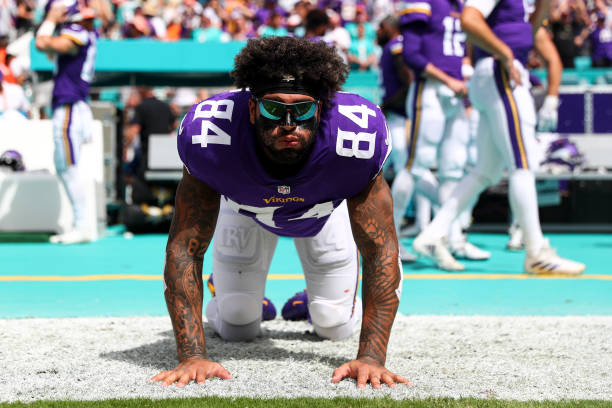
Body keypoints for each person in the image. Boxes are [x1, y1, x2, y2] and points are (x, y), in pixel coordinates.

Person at [151, 36, 408, 389]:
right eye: (274, 108)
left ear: (321, 108)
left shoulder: (356, 138)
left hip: (323, 209)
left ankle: (311, 300)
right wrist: (192, 356)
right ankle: (238, 295)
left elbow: (381, 250)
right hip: (243, 207)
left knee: (333, 324)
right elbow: (185, 248)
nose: (288, 122)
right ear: (252, 108)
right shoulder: (211, 136)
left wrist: (371, 358)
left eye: (302, 109)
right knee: (238, 321)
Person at [412, 0, 586, 275]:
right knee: (522, 164)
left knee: (486, 172)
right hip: (501, 72)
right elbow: (469, 19)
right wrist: (505, 54)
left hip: (498, 72)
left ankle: (434, 233)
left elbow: (531, 27)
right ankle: (536, 251)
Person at [391, 0, 490, 269]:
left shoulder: (461, 6)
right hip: (431, 89)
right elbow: (412, 55)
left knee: (453, 169)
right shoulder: (423, 3)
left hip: (454, 95)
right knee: (416, 164)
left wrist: (463, 75)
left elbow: (459, 49)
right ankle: (391, 241)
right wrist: (449, 79)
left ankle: (448, 238)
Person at [35, 0, 98, 244]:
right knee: (68, 165)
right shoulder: (86, 33)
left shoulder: (77, 32)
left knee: (68, 166)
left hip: (70, 106)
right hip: (74, 105)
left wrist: (50, 20)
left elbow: (42, 44)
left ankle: (83, 226)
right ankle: (82, 224)